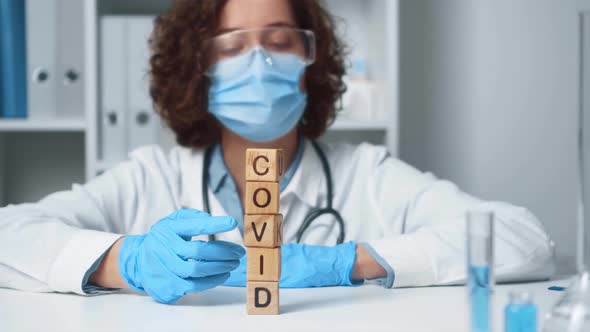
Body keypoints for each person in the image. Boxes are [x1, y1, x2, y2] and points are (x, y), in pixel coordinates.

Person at [0, 0, 554, 304]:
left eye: (280, 41)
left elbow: (522, 238)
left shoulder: (368, 175)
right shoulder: (150, 177)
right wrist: (131, 262)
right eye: (233, 46)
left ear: (313, 61)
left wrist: (350, 262)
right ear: (198, 70)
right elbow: (9, 234)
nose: (259, 62)